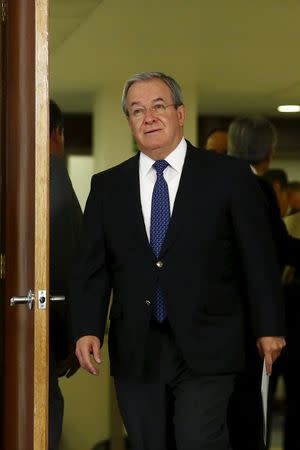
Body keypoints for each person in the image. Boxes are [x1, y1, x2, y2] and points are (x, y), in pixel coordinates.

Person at [72, 72, 285, 450]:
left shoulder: (228, 177)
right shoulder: (107, 186)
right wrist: (86, 327)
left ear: (181, 113)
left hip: (210, 341)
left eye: (158, 106)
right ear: (129, 122)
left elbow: (258, 256)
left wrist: (268, 326)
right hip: (137, 344)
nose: (148, 117)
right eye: (137, 110)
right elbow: (94, 267)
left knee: (198, 439)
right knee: (148, 442)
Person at [227, 115, 300, 450]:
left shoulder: (206, 184)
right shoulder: (256, 189)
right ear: (268, 153)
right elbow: (278, 248)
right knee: (251, 411)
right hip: (251, 320)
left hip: (210, 320)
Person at [49, 100, 82, 450]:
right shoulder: (52, 175)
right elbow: (69, 264)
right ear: (57, 133)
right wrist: (71, 336)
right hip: (42, 338)